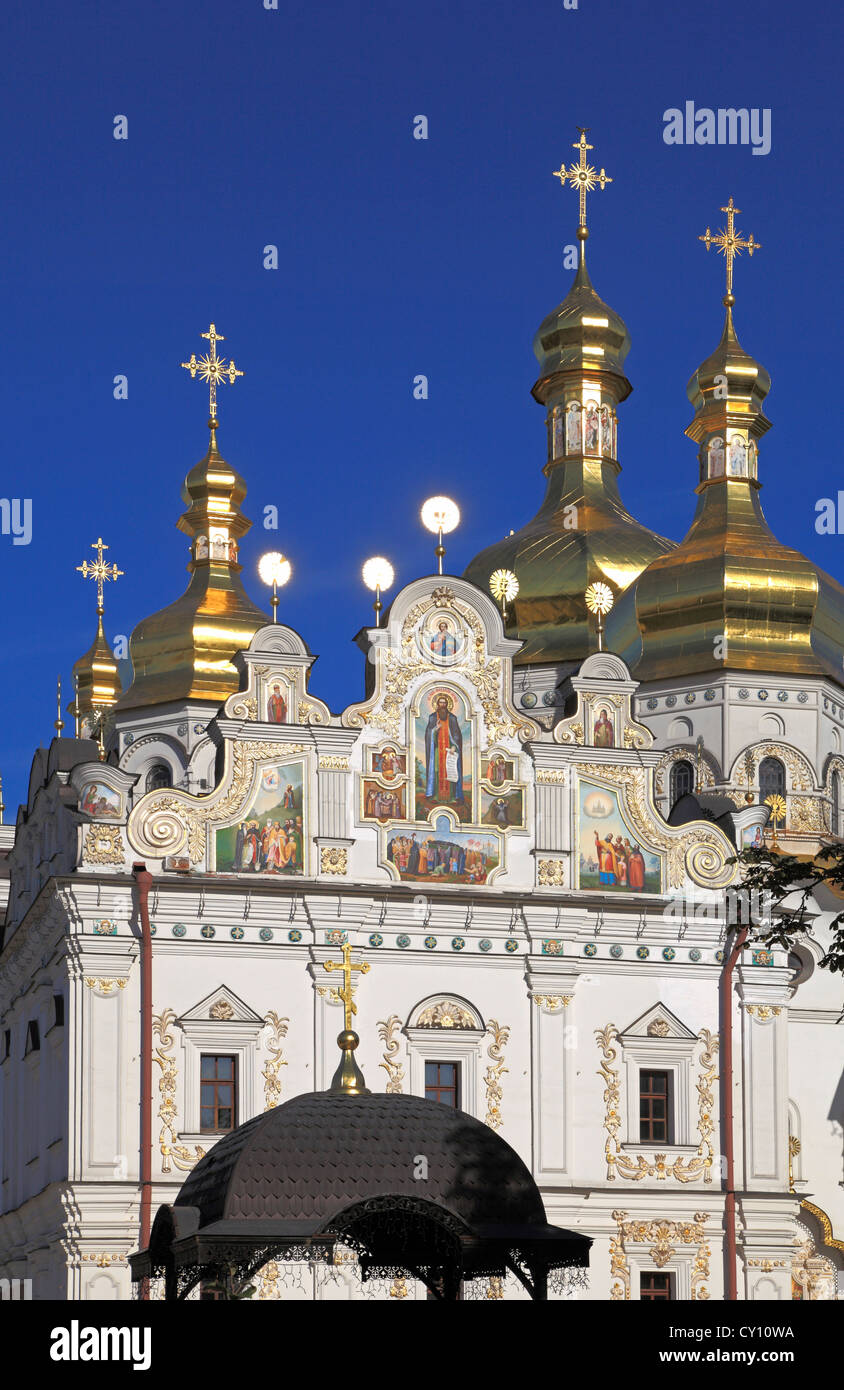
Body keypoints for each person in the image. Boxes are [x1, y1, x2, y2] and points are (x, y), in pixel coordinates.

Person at [424, 694, 464, 802]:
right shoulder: (432, 717)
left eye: (444, 703)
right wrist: (435, 730)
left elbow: (457, 735)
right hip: (437, 751)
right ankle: (436, 796)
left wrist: (454, 746)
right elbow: (428, 735)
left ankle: (452, 797)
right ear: (437, 704)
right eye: (440, 703)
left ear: (447, 705)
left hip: (449, 751)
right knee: (437, 771)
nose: (442, 705)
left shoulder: (452, 718)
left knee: (450, 771)